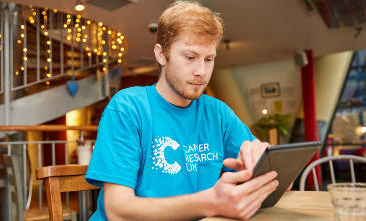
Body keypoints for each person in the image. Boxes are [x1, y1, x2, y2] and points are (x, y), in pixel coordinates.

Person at [86, 2, 279, 220]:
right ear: (161, 54)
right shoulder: (127, 107)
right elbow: (117, 211)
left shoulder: (217, 113)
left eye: (209, 59)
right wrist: (211, 202)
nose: (201, 71)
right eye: (190, 57)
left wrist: (267, 164)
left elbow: (280, 183)